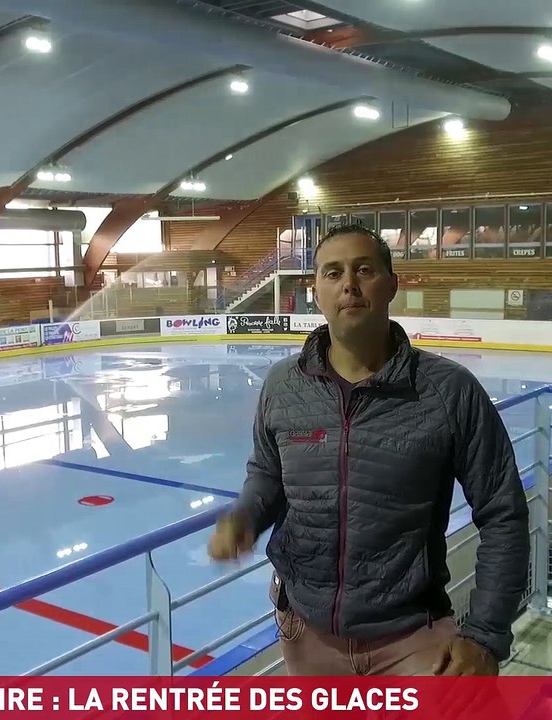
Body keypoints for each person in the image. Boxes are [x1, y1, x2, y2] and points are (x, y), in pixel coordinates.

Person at [207, 223, 529, 676]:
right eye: (333, 273)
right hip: (306, 632)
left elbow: (503, 513)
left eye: (364, 270)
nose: (350, 286)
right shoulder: (283, 385)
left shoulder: (449, 391)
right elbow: (267, 476)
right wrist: (246, 515)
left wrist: (484, 636)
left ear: (392, 284)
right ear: (315, 290)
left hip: (414, 639)